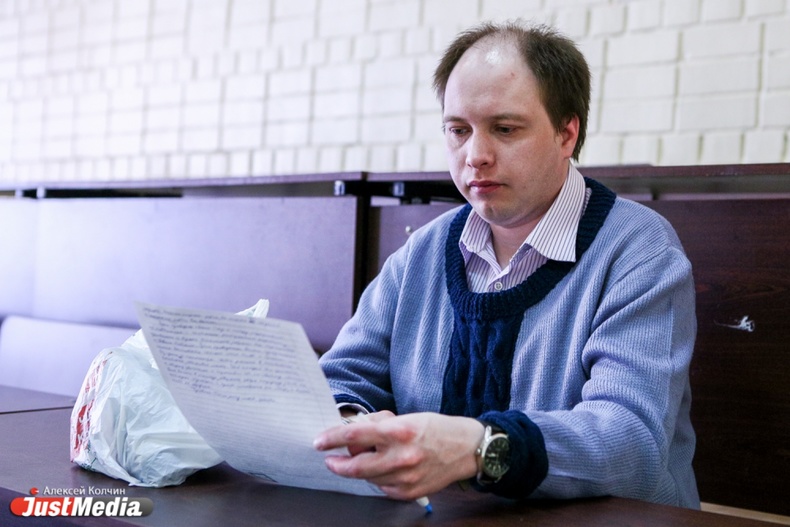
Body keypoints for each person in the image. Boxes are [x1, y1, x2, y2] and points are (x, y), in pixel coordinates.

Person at [313, 20, 699, 509]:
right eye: (458, 131)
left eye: (505, 129)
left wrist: (480, 449)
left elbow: (630, 440)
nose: (475, 156)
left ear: (566, 133)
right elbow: (341, 378)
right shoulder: (422, 251)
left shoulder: (639, 250)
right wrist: (351, 426)